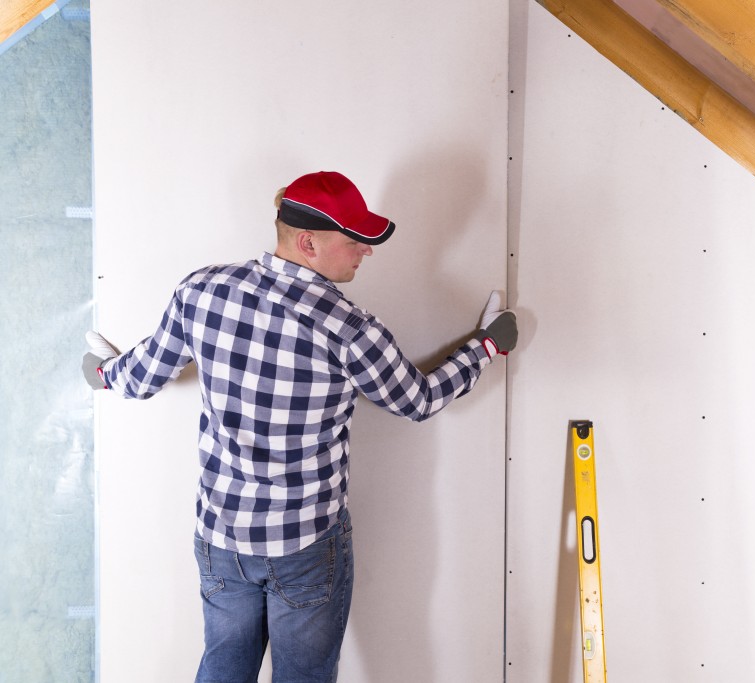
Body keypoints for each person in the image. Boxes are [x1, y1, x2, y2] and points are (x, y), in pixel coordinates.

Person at [81, 170, 518, 683]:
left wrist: (105, 374)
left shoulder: (201, 292)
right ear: (308, 242)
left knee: (223, 667)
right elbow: (417, 401)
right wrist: (488, 346)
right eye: (355, 240)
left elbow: (145, 374)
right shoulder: (351, 329)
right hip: (305, 547)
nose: (366, 251)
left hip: (223, 538)